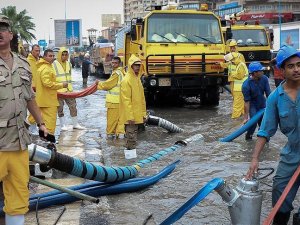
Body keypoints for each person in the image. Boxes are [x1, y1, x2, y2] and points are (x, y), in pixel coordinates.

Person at [0, 15, 47, 225]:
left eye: (3, 29)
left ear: (10, 34)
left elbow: (30, 98)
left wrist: (42, 123)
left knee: (19, 193)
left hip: (19, 141)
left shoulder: (23, 64)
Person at [245, 45, 300, 225]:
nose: (297, 69)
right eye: (291, 66)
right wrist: (255, 159)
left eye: (299, 64)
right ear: (281, 70)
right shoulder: (275, 98)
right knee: (279, 193)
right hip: (292, 154)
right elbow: (265, 131)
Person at [119, 55, 147, 159]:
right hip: (130, 117)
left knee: (133, 138)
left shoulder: (137, 79)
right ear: (131, 66)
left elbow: (142, 99)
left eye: (139, 65)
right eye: (135, 65)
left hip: (137, 116)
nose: (138, 67)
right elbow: (126, 100)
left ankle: (131, 159)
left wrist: (143, 114)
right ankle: (129, 161)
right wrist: (130, 116)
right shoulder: (126, 80)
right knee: (131, 138)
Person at [35, 49, 68, 135]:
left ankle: (45, 141)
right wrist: (61, 85)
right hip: (48, 101)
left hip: (44, 99)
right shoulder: (46, 68)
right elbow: (47, 84)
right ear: (44, 57)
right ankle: (48, 143)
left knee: (44, 123)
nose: (52, 57)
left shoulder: (43, 67)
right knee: (50, 124)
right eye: (50, 56)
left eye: (53, 56)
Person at [53, 47, 85, 131]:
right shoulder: (54, 64)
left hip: (69, 90)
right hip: (59, 90)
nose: (64, 56)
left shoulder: (69, 64)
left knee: (73, 106)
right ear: (59, 55)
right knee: (60, 108)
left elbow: (69, 76)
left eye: (66, 54)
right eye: (62, 54)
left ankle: (75, 124)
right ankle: (62, 125)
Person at [95, 56, 125, 138]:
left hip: (114, 102)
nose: (114, 64)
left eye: (116, 63)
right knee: (120, 123)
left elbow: (107, 85)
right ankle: (120, 142)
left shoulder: (116, 74)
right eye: (113, 62)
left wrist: (98, 84)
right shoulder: (122, 72)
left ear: (119, 64)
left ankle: (110, 140)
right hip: (121, 102)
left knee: (111, 123)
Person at [242, 61, 271, 140]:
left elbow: (269, 94)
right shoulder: (246, 85)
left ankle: (263, 139)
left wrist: (272, 107)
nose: (262, 72)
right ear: (254, 73)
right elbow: (247, 102)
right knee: (253, 122)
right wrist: (245, 117)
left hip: (262, 103)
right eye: (260, 71)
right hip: (253, 105)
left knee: (264, 124)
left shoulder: (264, 79)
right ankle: (249, 136)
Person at [219, 49, 248, 119]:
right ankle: (242, 117)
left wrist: (232, 75)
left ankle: (235, 119)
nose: (231, 61)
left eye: (232, 60)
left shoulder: (240, 65)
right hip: (239, 88)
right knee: (241, 104)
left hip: (239, 89)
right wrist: (220, 63)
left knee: (237, 105)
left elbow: (240, 76)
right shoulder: (237, 64)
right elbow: (226, 65)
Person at [26, 44, 41, 132]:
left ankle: (34, 128)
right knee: (33, 108)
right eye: (36, 51)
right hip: (31, 88)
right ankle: (30, 128)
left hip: (39, 89)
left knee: (38, 107)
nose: (38, 52)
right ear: (32, 51)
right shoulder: (27, 61)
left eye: (39, 51)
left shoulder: (39, 61)